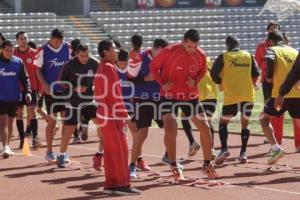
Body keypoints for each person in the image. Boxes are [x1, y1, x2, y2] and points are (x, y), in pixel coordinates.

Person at [150, 29, 218, 181]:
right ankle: (174, 165)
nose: (192, 50)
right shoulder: (169, 51)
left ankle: (207, 165)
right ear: (183, 41)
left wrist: (195, 80)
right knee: (171, 127)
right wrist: (162, 83)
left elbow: (203, 70)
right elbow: (153, 67)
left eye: (194, 47)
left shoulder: (200, 54)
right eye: (189, 47)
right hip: (169, 95)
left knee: (205, 128)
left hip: (189, 95)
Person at [94, 39, 141, 195]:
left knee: (110, 150)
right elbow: (116, 95)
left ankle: (111, 183)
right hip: (112, 115)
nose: (116, 51)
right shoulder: (108, 67)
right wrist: (125, 115)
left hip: (104, 114)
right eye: (113, 49)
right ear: (106, 52)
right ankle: (123, 184)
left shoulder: (101, 66)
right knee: (121, 149)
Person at [211, 35, 260, 165]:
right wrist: (253, 83)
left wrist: (220, 82)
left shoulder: (224, 56)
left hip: (232, 97)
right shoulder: (248, 55)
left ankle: (224, 149)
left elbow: (213, 74)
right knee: (245, 122)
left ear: (227, 45)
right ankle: (243, 153)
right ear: (239, 45)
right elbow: (256, 73)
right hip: (248, 96)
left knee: (223, 122)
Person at [127, 39, 168, 179]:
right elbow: (129, 78)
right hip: (142, 99)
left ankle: (169, 157)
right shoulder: (140, 58)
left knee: (170, 127)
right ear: (154, 48)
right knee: (142, 133)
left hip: (159, 99)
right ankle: (132, 165)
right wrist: (145, 79)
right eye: (161, 52)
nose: (163, 56)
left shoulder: (165, 59)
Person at [255, 22, 300, 146]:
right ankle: (298, 145)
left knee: (267, 118)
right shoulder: (295, 51)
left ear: (271, 41)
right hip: (297, 92)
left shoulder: (271, 49)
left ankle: (276, 147)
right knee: (297, 119)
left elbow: (269, 61)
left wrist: (268, 77)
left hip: (279, 92)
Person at [57, 44, 101, 168]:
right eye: (82, 56)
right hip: (73, 102)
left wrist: (95, 86)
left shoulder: (95, 63)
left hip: (89, 101)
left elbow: (101, 79)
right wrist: (74, 88)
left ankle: (100, 154)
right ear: (77, 54)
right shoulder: (69, 65)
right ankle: (61, 154)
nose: (85, 58)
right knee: (68, 130)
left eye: (87, 55)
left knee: (102, 125)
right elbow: (61, 83)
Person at [34, 29, 71, 164]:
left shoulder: (67, 47)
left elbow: (72, 65)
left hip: (66, 90)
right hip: (51, 91)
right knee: (52, 121)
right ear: (51, 39)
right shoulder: (42, 49)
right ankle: (49, 151)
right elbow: (37, 68)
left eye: (60, 42)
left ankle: (63, 152)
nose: (58, 44)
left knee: (67, 121)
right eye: (56, 42)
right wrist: (44, 85)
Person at [0, 40, 32, 158]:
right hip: (1, 97)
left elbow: (25, 78)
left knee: (10, 122)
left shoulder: (18, 62)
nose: (9, 52)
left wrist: (28, 92)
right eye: (7, 50)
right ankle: (5, 147)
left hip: (14, 96)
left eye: (11, 50)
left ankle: (6, 146)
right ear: (2, 50)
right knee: (3, 120)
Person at [14, 31, 41, 149]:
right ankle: (21, 139)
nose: (23, 40)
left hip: (32, 87)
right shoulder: (12, 53)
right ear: (17, 41)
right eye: (20, 38)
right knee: (19, 113)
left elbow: (39, 72)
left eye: (25, 38)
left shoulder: (34, 53)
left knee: (32, 111)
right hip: (17, 88)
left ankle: (35, 137)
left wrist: (40, 89)